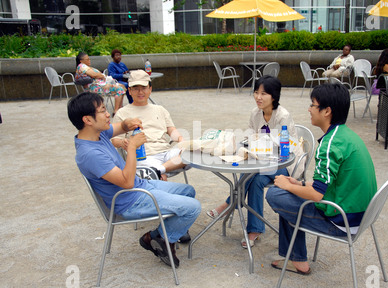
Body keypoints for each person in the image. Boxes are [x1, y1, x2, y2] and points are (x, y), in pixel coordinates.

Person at [67, 91, 201, 268]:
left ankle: (168, 234)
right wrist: (131, 147)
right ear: (88, 120)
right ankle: (157, 238)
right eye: (102, 111)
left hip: (141, 186)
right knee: (193, 208)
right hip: (130, 201)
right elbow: (127, 182)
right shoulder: (90, 154)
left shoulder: (96, 134)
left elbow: (120, 127)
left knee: (188, 191)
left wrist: (126, 124)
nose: (108, 114)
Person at [265, 83, 377, 275]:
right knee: (288, 192)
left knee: (277, 194)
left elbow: (317, 195)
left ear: (327, 111)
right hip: (361, 215)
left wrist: (288, 186)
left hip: (341, 221)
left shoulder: (329, 145)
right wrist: (299, 183)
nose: (309, 109)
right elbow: (331, 184)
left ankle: (298, 260)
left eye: (313, 105)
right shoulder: (346, 135)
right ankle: (296, 257)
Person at [207, 75, 298, 249]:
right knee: (254, 178)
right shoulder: (255, 113)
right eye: (256, 92)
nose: (258, 97)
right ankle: (255, 229)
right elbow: (250, 135)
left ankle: (229, 203)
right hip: (260, 163)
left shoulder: (282, 116)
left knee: (251, 173)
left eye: (263, 94)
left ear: (274, 96)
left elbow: (284, 147)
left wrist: (260, 143)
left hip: (282, 164)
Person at [111, 70, 187, 181]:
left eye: (143, 88)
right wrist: (123, 143)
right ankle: (159, 173)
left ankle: (159, 170)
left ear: (150, 89)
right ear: (130, 91)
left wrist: (181, 139)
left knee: (192, 153)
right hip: (144, 156)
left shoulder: (160, 109)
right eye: (136, 88)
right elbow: (115, 140)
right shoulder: (122, 113)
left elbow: (171, 130)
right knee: (158, 176)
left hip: (166, 152)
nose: (140, 92)